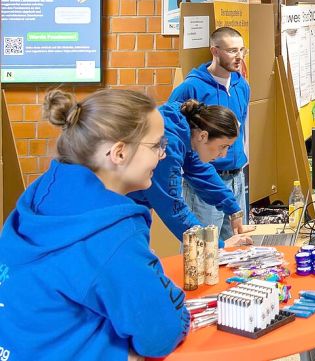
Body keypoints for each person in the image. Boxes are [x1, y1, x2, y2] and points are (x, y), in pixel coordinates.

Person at [0, 89, 190, 358]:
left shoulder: (40, 194)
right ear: (119, 152)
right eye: (157, 145)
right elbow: (160, 334)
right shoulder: (113, 235)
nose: (162, 155)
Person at [129, 99, 253, 247]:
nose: (223, 154)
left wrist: (233, 208)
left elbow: (200, 171)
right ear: (203, 136)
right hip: (120, 206)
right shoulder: (168, 147)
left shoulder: (183, 128)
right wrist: (216, 246)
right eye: (222, 147)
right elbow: (174, 208)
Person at [169, 26, 253, 241]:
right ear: (214, 51)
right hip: (204, 180)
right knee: (202, 248)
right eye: (232, 51)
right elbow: (179, 139)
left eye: (242, 50)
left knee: (236, 248)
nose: (239, 57)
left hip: (235, 177)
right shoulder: (191, 87)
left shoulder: (241, 85)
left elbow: (240, 130)